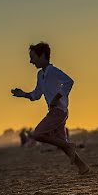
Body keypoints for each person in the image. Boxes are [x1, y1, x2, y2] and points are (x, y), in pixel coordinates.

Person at [11, 41, 90, 174]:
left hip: (59, 111)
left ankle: (68, 145)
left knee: (38, 134)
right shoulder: (40, 75)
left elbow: (69, 82)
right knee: (60, 142)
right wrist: (23, 94)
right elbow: (36, 94)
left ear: (42, 56)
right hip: (55, 111)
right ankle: (82, 166)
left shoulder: (53, 71)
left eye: (33, 57)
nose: (31, 61)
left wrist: (57, 97)